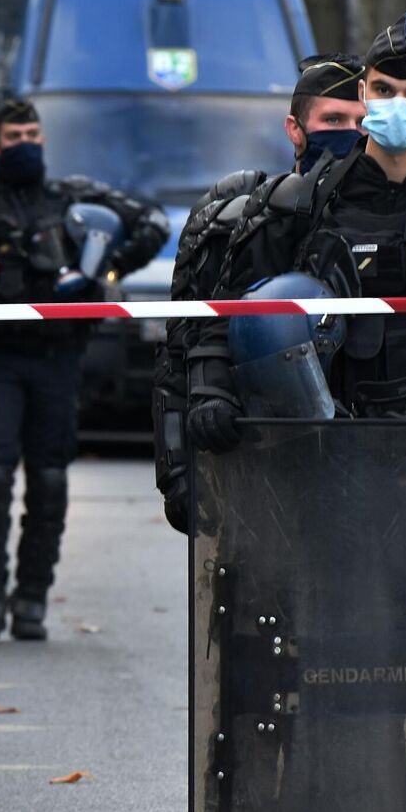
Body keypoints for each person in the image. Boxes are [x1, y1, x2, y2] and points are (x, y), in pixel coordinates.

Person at [185, 9, 406, 458]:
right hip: (312, 462)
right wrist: (213, 393)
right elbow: (225, 319)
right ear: (363, 92)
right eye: (384, 90)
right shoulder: (295, 204)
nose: (398, 104)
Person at [0, 100, 169, 641]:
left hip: (58, 359)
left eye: (32, 132)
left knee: (49, 480)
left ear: (43, 138)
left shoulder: (72, 197)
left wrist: (99, 268)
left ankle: (32, 600)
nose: (25, 141)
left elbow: (152, 224)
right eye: (14, 134)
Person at [152, 52, 367, 534]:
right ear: (295, 129)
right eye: (333, 119)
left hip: (373, 466)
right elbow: (183, 349)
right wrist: (180, 472)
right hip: (260, 471)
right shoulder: (245, 218)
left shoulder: (400, 217)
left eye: (361, 121)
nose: (350, 133)